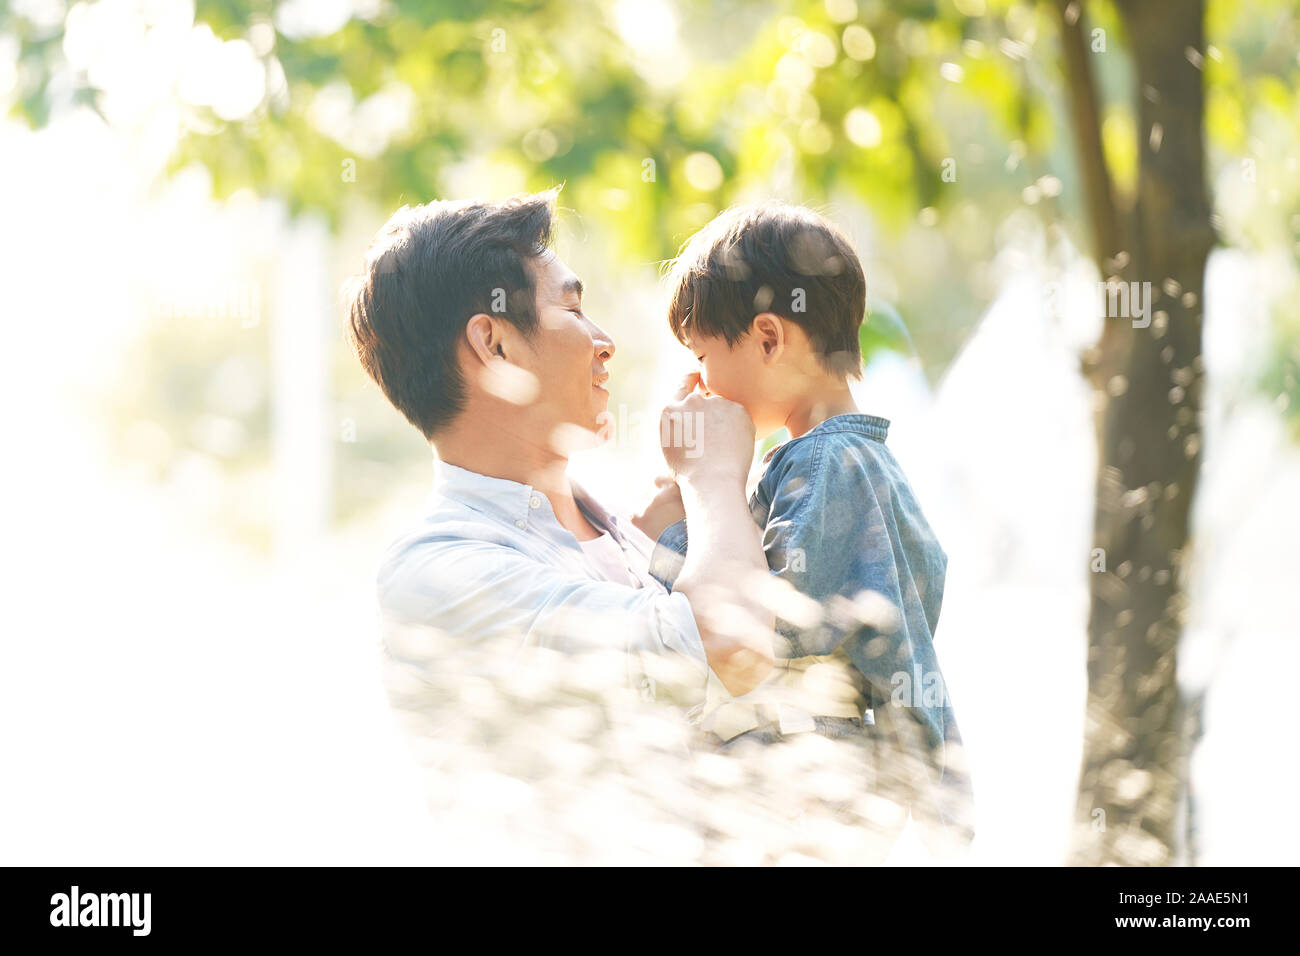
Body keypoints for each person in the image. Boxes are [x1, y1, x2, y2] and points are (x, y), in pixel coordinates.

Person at [342, 190, 775, 717]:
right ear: (494, 346)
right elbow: (730, 650)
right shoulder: (438, 573)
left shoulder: (620, 529)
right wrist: (713, 477)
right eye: (572, 309)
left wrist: (678, 508)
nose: (605, 341)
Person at [635, 201, 975, 856]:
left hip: (804, 782)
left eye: (701, 355)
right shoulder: (851, 460)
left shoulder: (825, 463)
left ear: (768, 339)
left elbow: (770, 625)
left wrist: (675, 533)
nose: (693, 383)